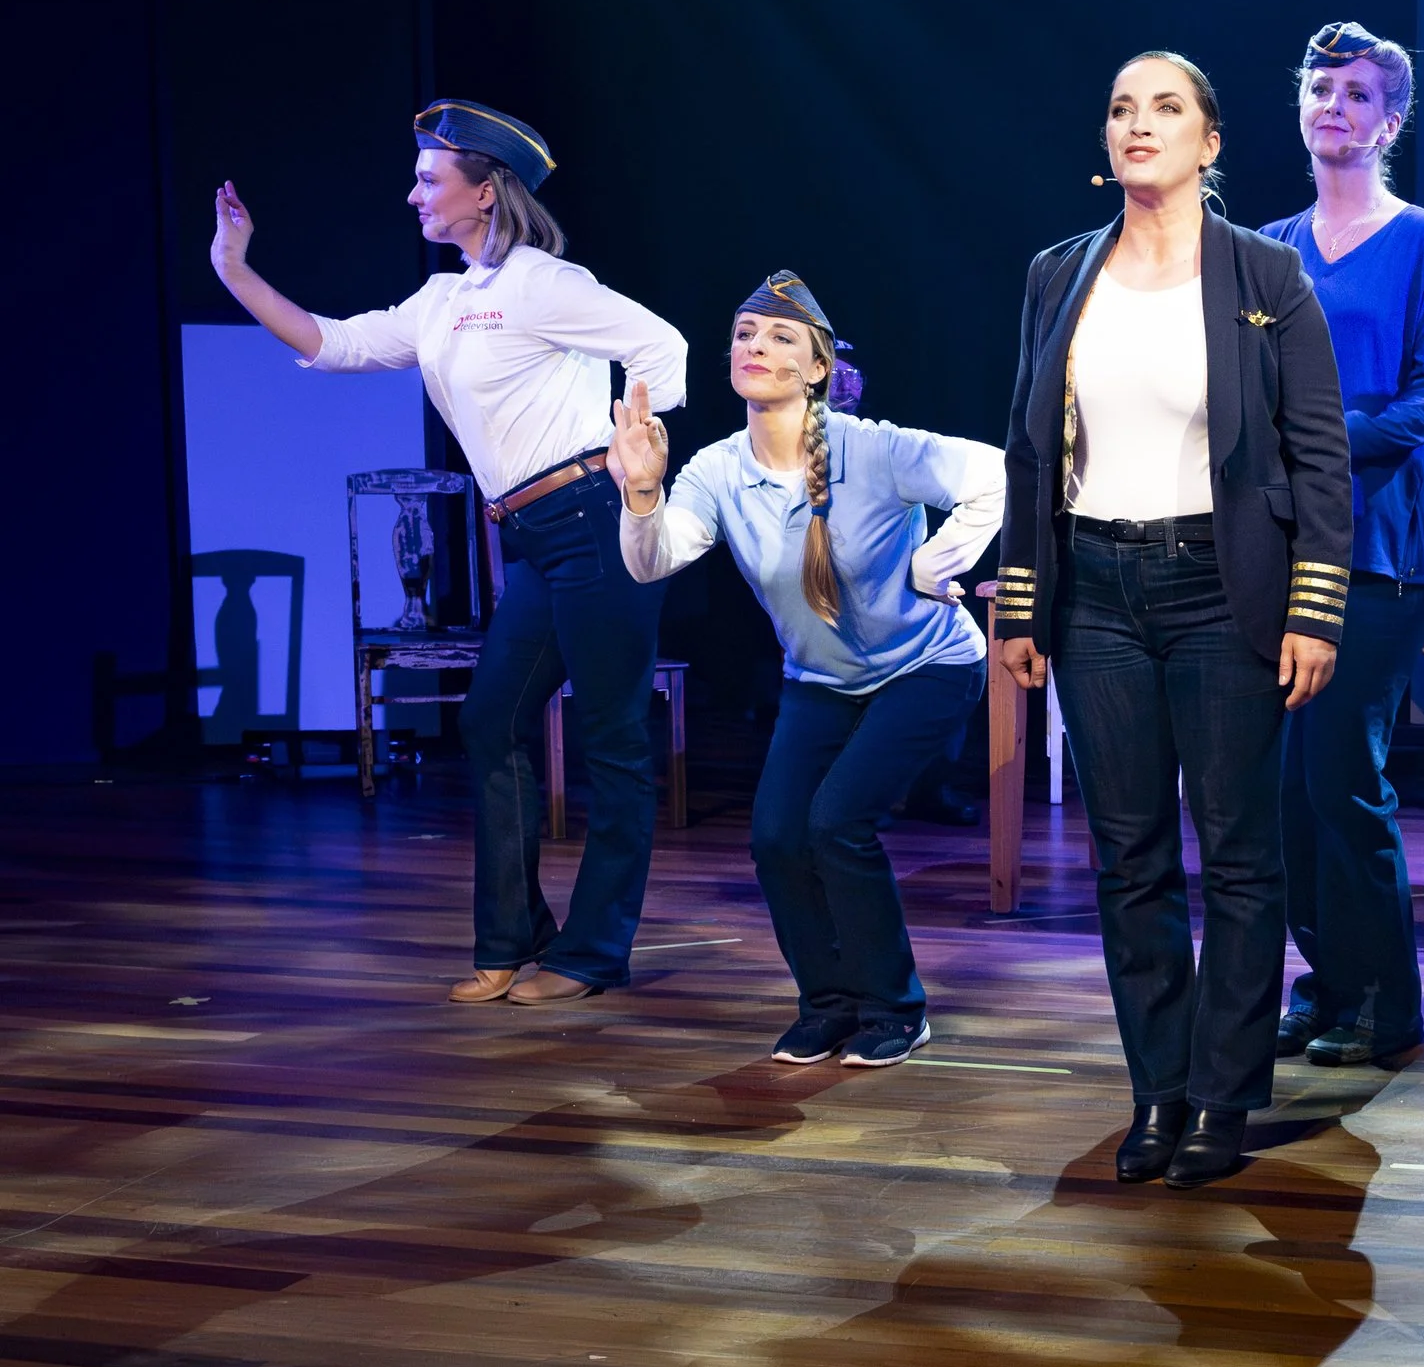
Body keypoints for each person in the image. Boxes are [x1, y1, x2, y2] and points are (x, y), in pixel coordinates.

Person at [209, 101, 687, 1006]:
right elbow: (337, 343)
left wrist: (637, 452)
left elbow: (662, 344)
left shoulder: (543, 282)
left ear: (487, 191)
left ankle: (594, 954)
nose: (411, 194)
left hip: (594, 516)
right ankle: (511, 938)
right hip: (534, 537)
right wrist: (234, 270)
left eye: (429, 179)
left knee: (612, 741)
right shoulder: (443, 298)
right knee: (492, 722)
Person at [994, 51, 1353, 1187]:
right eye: (1118, 108)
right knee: (1128, 855)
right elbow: (1023, 449)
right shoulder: (1060, 273)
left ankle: (1224, 1093)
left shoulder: (1264, 272)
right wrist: (1020, 596)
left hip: (1218, 585)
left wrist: (1316, 607)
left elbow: (1319, 451)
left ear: (1209, 143)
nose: (1136, 124)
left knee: (1240, 856)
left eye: (1164, 108)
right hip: (1095, 586)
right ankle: (1158, 1089)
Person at [608, 270, 1003, 1066]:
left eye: (780, 336)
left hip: (925, 664)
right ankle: (828, 1002)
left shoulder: (874, 448)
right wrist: (642, 493)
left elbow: (1000, 473)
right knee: (778, 837)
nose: (756, 345)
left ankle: (895, 1005)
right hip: (821, 681)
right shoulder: (718, 470)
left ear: (818, 368)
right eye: (745, 333)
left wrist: (935, 564)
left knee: (837, 823)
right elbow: (654, 563)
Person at [1260, 20, 1424, 1069]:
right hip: (1274, 549)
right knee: (1289, 792)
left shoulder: (1422, 239)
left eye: (1353, 94)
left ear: (1388, 121)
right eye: (1318, 89)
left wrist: (1315, 440)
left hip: (1377, 551)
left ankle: (1387, 1001)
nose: (1331, 106)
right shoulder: (1266, 249)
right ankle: (1327, 977)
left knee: (1346, 776)